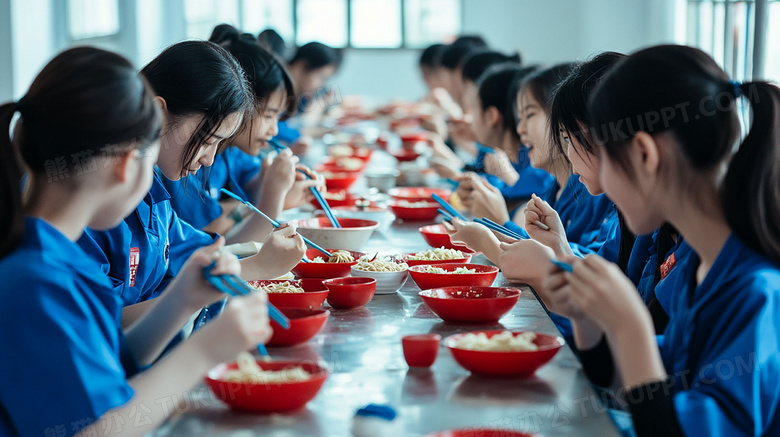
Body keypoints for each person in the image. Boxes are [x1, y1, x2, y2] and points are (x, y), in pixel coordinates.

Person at [0, 47, 274, 437]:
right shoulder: (37, 280)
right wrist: (205, 351)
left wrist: (182, 300)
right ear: (128, 164)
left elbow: (113, 362)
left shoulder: (55, 259)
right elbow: (96, 429)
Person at [543, 45, 780, 436]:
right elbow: (635, 388)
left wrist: (630, 324)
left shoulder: (757, 291)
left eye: (604, 155)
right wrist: (586, 316)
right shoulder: (699, 268)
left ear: (643, 154)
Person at [78, 41, 306, 327]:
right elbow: (101, 330)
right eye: (207, 140)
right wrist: (251, 267)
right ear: (159, 115)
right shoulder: (90, 212)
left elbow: (207, 252)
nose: (209, 160)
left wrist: (251, 262)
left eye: (219, 144)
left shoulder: (154, 196)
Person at [163, 24, 324, 240]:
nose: (274, 129)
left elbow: (246, 191)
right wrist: (272, 198)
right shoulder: (183, 160)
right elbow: (207, 242)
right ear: (242, 105)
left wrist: (270, 182)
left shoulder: (231, 151)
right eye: (268, 115)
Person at [277, 41, 344, 154]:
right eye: (321, 77)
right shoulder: (277, 87)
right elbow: (281, 130)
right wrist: (324, 132)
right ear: (301, 66)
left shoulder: (299, 92)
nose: (321, 85)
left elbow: (299, 122)